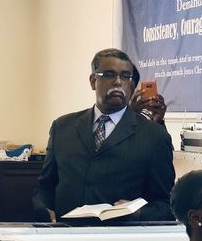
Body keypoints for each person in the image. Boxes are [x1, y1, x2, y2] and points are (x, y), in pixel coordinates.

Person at [32, 48, 175, 223]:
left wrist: (138, 213)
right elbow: (44, 187)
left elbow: (166, 204)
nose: (118, 82)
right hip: (66, 233)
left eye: (125, 76)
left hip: (119, 235)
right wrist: (43, 209)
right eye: (109, 75)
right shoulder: (62, 127)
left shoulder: (154, 136)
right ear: (93, 81)